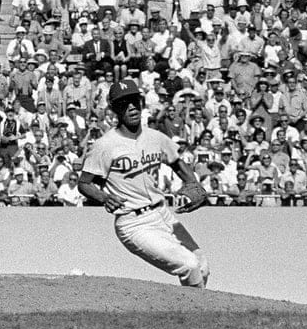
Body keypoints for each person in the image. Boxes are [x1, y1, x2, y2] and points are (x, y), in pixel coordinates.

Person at [76, 78, 211, 288]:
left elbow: (177, 163)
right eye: (124, 103)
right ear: (114, 109)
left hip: (163, 213)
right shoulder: (104, 145)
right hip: (134, 222)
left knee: (202, 265)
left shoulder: (156, 137)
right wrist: (103, 197)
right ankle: (200, 317)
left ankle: (194, 313)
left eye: (134, 101)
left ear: (141, 102)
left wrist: (193, 185)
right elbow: (84, 183)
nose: (131, 107)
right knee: (190, 265)